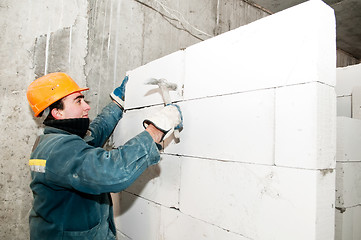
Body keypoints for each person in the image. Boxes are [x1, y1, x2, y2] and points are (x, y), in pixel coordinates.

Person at [26, 72, 182, 239]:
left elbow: (94, 134)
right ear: (58, 113)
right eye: (78, 101)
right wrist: (157, 128)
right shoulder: (60, 150)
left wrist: (117, 104)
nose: (87, 106)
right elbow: (112, 172)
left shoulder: (53, 142)